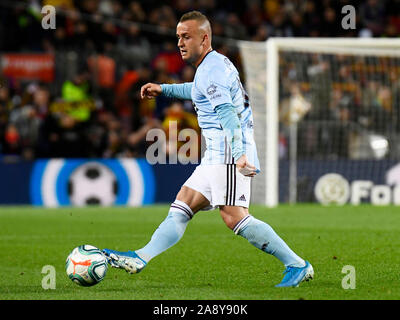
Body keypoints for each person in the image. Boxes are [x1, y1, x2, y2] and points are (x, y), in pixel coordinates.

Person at [103, 11, 313, 287]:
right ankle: (140, 257)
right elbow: (197, 90)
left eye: (186, 37)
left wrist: (238, 153)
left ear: (204, 39)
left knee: (234, 217)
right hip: (217, 154)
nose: (180, 43)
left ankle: (296, 264)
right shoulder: (213, 66)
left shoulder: (212, 70)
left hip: (227, 152)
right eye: (178, 37)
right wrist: (163, 89)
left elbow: (227, 113)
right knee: (182, 205)